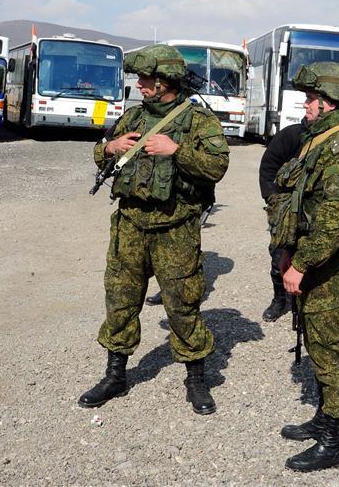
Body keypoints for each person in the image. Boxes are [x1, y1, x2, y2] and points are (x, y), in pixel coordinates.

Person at [78, 45, 230, 414]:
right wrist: (110, 147)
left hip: (175, 229)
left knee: (183, 305)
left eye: (146, 79)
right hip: (130, 224)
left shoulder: (198, 121)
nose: (140, 85)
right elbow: (101, 151)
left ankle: (196, 379)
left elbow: (217, 167)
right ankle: (115, 376)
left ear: (165, 82)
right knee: (120, 300)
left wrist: (176, 150)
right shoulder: (133, 117)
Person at [270, 62, 339, 472]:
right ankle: (323, 418)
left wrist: (301, 265)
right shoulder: (321, 140)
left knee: (328, 350)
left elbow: (332, 220)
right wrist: (289, 253)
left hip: (325, 267)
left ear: (327, 102)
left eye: (310, 100)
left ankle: (334, 442)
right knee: (315, 343)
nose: (306, 107)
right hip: (308, 258)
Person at [258, 120, 308, 321]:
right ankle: (279, 299)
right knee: (279, 258)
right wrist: (274, 202)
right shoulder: (292, 134)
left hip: (314, 214)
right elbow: (268, 167)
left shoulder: (334, 139)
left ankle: (306, 303)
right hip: (285, 212)